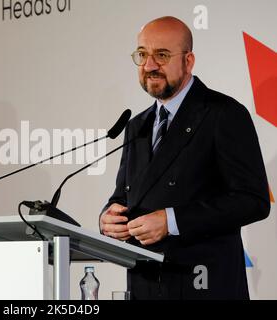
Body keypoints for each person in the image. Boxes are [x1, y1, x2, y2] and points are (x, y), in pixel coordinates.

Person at [100, 16, 270, 299]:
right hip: (146, 285)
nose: (150, 65)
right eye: (142, 55)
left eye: (162, 55)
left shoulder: (223, 114)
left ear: (188, 61)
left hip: (204, 286)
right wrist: (109, 217)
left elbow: (253, 201)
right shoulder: (136, 125)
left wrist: (172, 221)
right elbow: (123, 196)